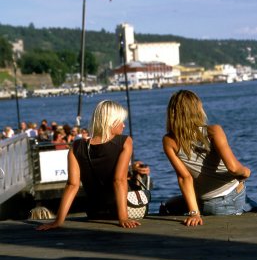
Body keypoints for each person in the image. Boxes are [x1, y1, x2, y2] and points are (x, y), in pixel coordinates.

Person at [37, 100, 142, 230]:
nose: (124, 125)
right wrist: (123, 218)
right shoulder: (125, 141)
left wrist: (57, 221)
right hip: (125, 209)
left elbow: (72, 185)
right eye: (121, 121)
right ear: (112, 121)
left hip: (94, 212)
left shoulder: (76, 146)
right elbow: (119, 180)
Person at [161, 89, 257, 227]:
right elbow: (234, 168)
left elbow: (184, 178)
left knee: (166, 206)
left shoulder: (168, 140)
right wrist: (246, 172)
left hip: (203, 204)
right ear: (197, 109)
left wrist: (194, 213)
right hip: (231, 200)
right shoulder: (213, 131)